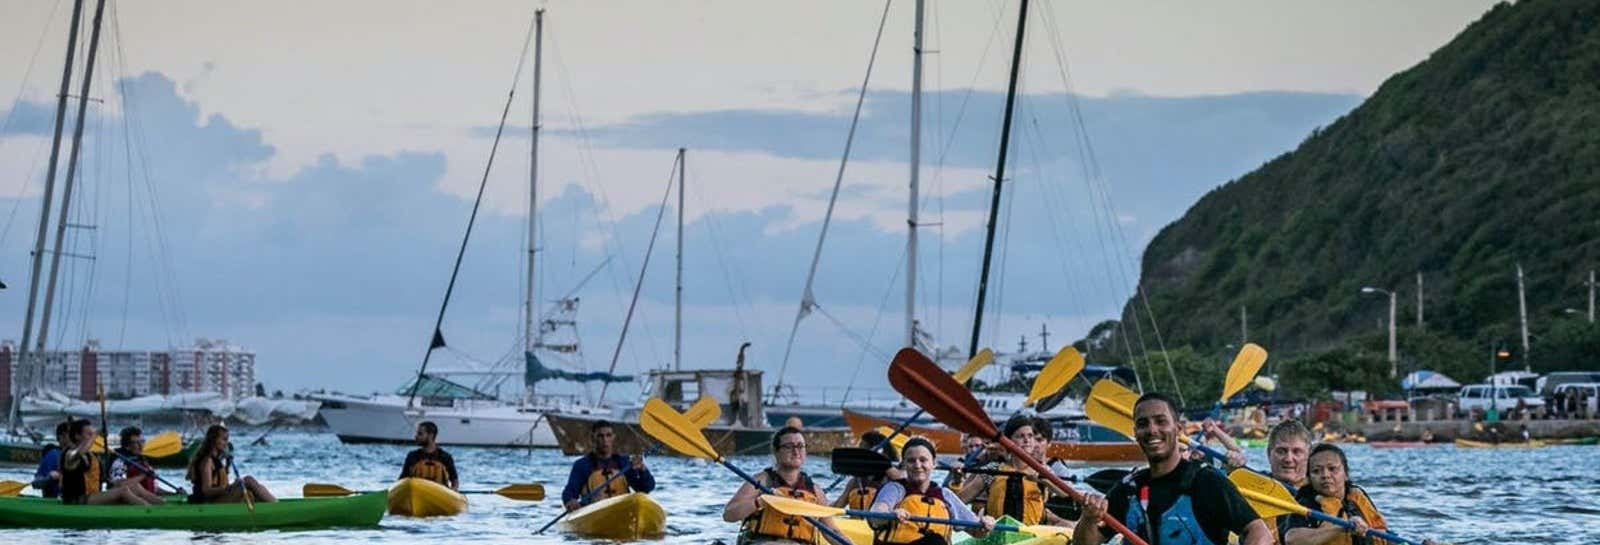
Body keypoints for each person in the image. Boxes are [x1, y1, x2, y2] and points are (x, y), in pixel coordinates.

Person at [1074, 393, 1271, 545]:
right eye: (1143, 424)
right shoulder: (1128, 489)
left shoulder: (1207, 481)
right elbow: (1086, 543)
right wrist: (1087, 518)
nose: (1152, 430)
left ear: (1178, 429)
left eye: (1161, 421)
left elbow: (1259, 531)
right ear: (1135, 433)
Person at [1282, 445, 1436, 545]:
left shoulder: (1356, 496)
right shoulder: (1306, 502)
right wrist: (1341, 528)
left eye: (1332, 469)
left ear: (1346, 474)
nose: (1325, 475)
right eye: (1316, 471)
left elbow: (1382, 535)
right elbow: (1292, 539)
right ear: (1309, 478)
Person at [869, 437, 995, 545]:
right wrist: (890, 514)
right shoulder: (894, 489)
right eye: (911, 461)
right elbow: (876, 514)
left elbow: (977, 532)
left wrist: (985, 525)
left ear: (933, 463)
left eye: (923, 460)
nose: (917, 465)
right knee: (935, 541)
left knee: (935, 541)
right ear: (904, 465)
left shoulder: (945, 495)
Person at [723, 426, 837, 544]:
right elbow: (729, 515)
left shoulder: (815, 490)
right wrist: (760, 502)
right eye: (789, 446)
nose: (796, 451)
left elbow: (832, 531)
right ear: (776, 452)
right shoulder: (761, 481)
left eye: (800, 446)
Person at [957, 415, 1070, 526]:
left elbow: (1065, 494)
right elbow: (960, 501)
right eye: (1020, 436)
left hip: (1032, 535)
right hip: (997, 532)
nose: (1027, 440)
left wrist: (1044, 480)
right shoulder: (992, 469)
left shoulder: (1042, 470)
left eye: (1030, 436)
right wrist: (956, 480)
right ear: (1009, 441)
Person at [58, 420, 163, 505]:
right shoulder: (69, 454)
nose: (92, 437)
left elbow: (103, 479)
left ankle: (162, 505)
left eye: (92, 433)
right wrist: (96, 434)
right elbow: (79, 453)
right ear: (77, 436)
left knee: (135, 487)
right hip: (77, 500)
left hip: (94, 496)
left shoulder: (91, 455)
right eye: (88, 434)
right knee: (123, 491)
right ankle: (148, 510)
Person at [561, 420, 654, 511]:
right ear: (593, 438)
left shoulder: (624, 462)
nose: (605, 440)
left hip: (622, 510)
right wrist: (570, 501)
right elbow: (569, 492)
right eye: (600, 436)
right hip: (594, 513)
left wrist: (643, 469)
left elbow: (645, 488)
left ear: (613, 437)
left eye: (608, 435)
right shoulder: (582, 465)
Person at [186, 424, 276, 503]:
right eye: (224, 439)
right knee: (248, 480)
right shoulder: (207, 461)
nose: (226, 444)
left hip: (218, 498)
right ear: (214, 440)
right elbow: (206, 491)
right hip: (210, 502)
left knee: (252, 487)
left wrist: (228, 466)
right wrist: (229, 487)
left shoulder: (217, 460)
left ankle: (272, 502)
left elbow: (220, 481)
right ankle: (275, 506)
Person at [834, 430, 903, 509]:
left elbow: (904, 478)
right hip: (857, 520)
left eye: (863, 452)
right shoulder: (856, 482)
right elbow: (838, 505)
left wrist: (887, 467)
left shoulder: (895, 479)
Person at [110, 426, 178, 495]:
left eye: (142, 441)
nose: (141, 445)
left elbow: (153, 488)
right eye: (136, 442)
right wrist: (143, 476)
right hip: (128, 499)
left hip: (146, 497)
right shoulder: (119, 462)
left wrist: (172, 493)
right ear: (127, 447)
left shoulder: (141, 460)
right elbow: (118, 485)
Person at [400, 421, 459, 490]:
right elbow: (402, 480)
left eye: (420, 434)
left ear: (430, 435)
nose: (416, 436)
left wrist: (453, 490)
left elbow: (455, 481)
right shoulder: (412, 456)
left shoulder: (445, 457)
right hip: (417, 491)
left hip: (439, 494)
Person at [31, 421, 72, 498]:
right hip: (54, 500)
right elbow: (35, 483)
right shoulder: (52, 455)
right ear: (61, 437)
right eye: (71, 434)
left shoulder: (82, 455)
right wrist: (49, 478)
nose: (75, 437)